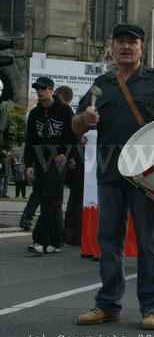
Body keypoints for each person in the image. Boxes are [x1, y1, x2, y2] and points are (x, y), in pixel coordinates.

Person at [72, 23, 154, 331]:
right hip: (109, 173)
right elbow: (76, 126)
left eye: (133, 42)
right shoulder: (100, 85)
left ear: (142, 48)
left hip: (149, 175)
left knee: (149, 240)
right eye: (120, 42)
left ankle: (151, 306)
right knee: (109, 241)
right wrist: (84, 119)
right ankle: (108, 304)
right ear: (112, 47)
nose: (126, 47)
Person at [23, 76, 76, 254]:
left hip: (58, 161)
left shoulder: (65, 111)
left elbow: (73, 136)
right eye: (37, 88)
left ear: (52, 90)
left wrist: (65, 154)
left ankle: (39, 240)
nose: (40, 91)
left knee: (49, 198)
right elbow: (30, 140)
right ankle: (57, 240)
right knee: (53, 201)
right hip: (39, 161)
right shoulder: (35, 113)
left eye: (44, 88)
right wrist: (28, 164)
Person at [55, 85, 84, 246]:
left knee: (72, 198)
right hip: (77, 160)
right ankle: (73, 234)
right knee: (76, 198)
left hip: (71, 160)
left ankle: (70, 233)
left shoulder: (66, 113)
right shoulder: (70, 113)